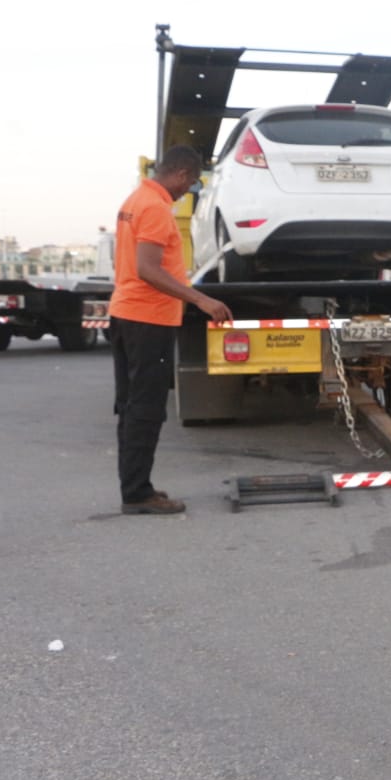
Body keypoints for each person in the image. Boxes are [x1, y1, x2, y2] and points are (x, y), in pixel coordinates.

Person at [109, 145, 232, 514]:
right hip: (148, 319)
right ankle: (137, 494)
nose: (188, 190)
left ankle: (135, 487)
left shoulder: (136, 199)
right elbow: (147, 268)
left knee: (132, 407)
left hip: (127, 314)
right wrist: (200, 300)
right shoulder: (156, 208)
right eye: (191, 183)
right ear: (180, 173)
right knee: (146, 408)